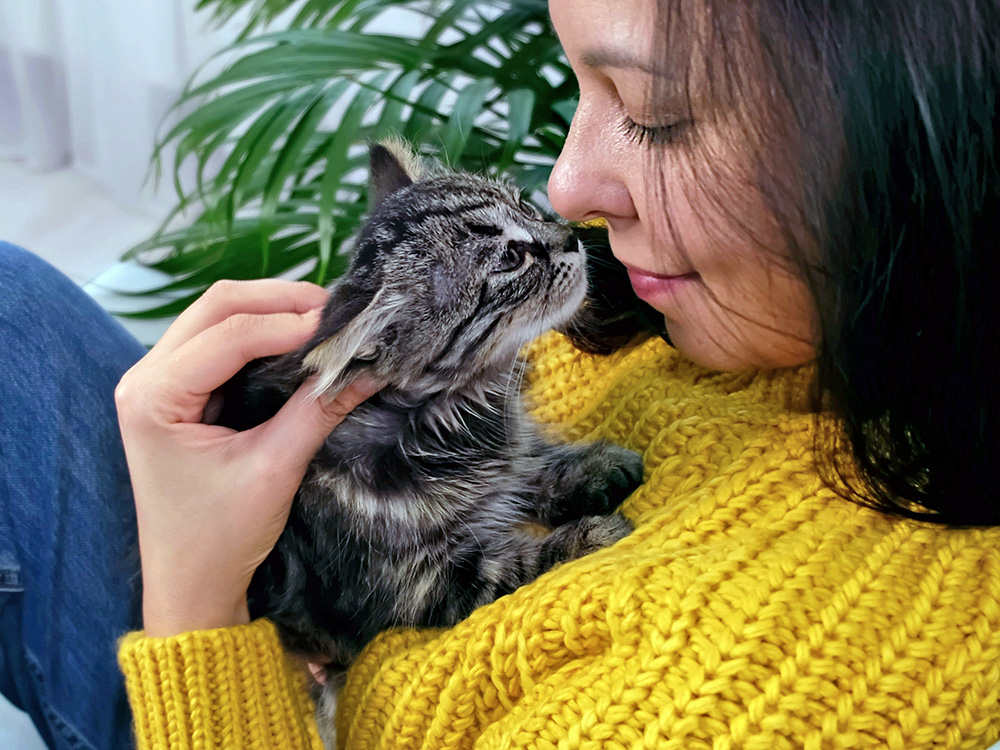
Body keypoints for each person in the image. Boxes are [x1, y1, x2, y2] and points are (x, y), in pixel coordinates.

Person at [2, 0, 998, 747]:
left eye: (653, 114)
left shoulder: (753, 694)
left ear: (910, 142)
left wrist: (194, 595)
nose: (567, 188)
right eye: (582, 90)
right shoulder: (749, 320)